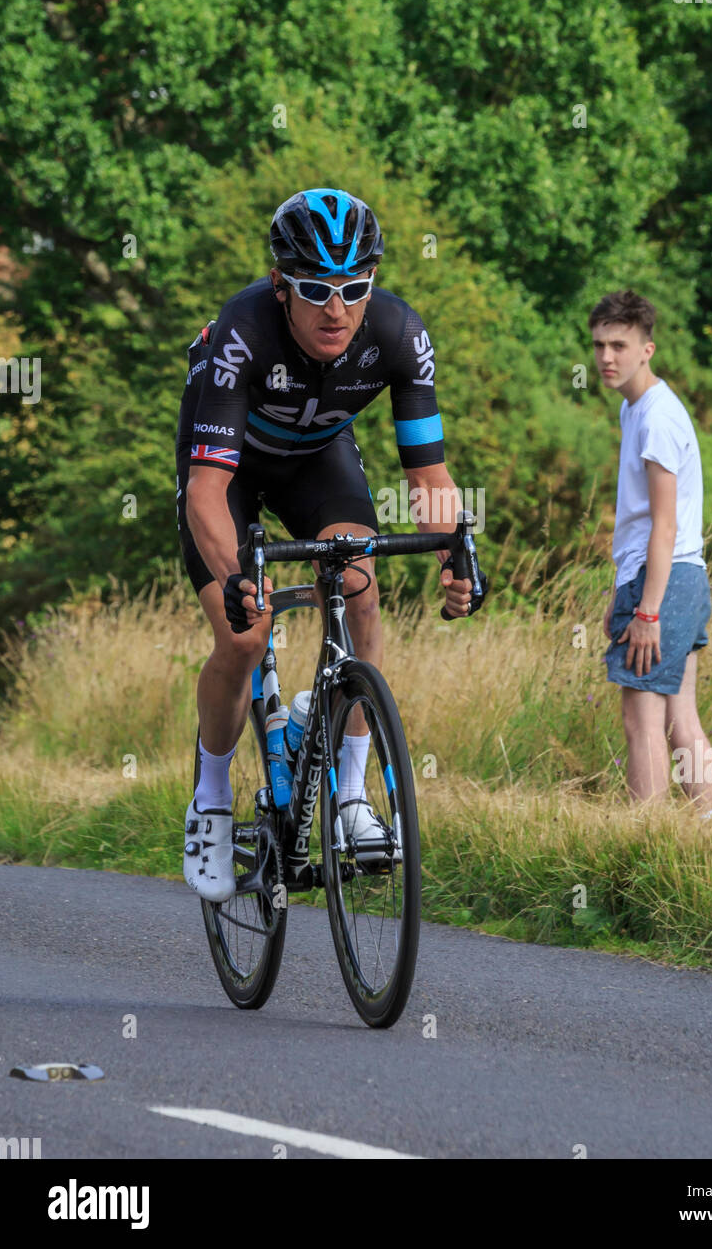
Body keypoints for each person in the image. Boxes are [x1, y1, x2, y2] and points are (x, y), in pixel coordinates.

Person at [175, 188, 475, 900]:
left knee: (360, 588)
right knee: (245, 634)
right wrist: (236, 580)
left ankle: (351, 795)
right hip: (228, 474)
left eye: (353, 288)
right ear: (281, 285)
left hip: (318, 459)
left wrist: (453, 554)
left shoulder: (400, 335)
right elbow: (205, 495)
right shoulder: (242, 334)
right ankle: (210, 801)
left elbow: (428, 473)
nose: (335, 309)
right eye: (314, 289)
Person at [591, 290, 712, 813]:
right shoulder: (637, 408)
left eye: (619, 345)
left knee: (640, 721)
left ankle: (647, 843)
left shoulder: (657, 417)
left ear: (648, 349)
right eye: (599, 345)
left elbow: (663, 526)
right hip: (678, 578)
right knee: (678, 717)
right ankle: (710, 836)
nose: (606, 357)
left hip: (664, 581)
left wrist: (645, 609)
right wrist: (621, 590)